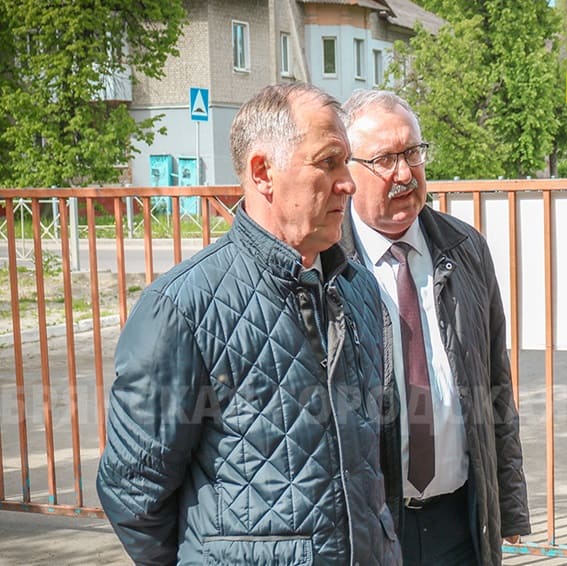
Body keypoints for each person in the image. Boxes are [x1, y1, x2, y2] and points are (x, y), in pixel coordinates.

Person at [96, 83, 401, 565]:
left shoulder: (357, 287)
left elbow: (373, 461)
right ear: (263, 172)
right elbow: (132, 490)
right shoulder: (181, 307)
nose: (348, 183)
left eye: (346, 163)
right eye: (328, 162)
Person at [336, 89, 530, 566]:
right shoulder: (329, 264)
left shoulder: (465, 249)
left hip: (458, 522)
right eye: (385, 160)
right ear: (348, 171)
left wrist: (507, 503)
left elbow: (496, 383)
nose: (404, 174)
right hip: (369, 527)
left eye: (413, 153)